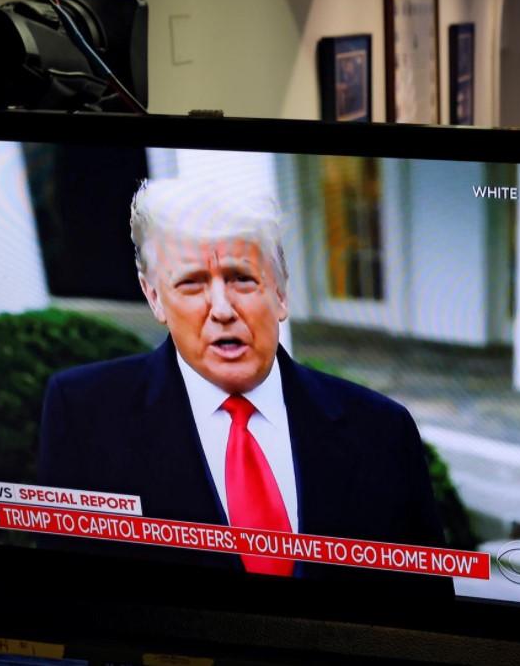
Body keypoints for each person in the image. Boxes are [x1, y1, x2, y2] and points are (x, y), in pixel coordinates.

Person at [37, 177, 450, 593]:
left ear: (281, 290)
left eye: (241, 278)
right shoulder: (83, 415)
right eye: (192, 283)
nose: (221, 309)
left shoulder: (382, 431)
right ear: (155, 297)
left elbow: (426, 620)